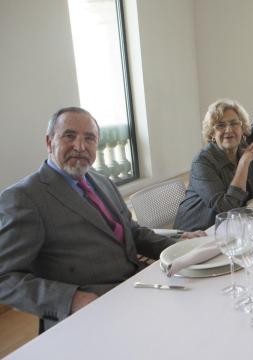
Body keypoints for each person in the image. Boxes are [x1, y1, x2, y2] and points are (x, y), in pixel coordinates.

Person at [0, 107, 202, 331]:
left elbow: (132, 232)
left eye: (89, 138)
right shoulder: (24, 198)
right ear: (49, 142)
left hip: (134, 290)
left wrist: (182, 250)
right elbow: (5, 278)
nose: (80, 146)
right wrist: (73, 299)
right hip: (88, 315)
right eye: (69, 136)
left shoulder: (101, 181)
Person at [174, 99, 253, 231]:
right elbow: (227, 208)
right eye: (220, 125)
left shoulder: (244, 149)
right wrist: (243, 164)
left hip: (233, 228)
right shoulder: (202, 162)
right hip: (197, 233)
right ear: (212, 133)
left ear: (242, 128)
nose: (228, 130)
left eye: (234, 123)